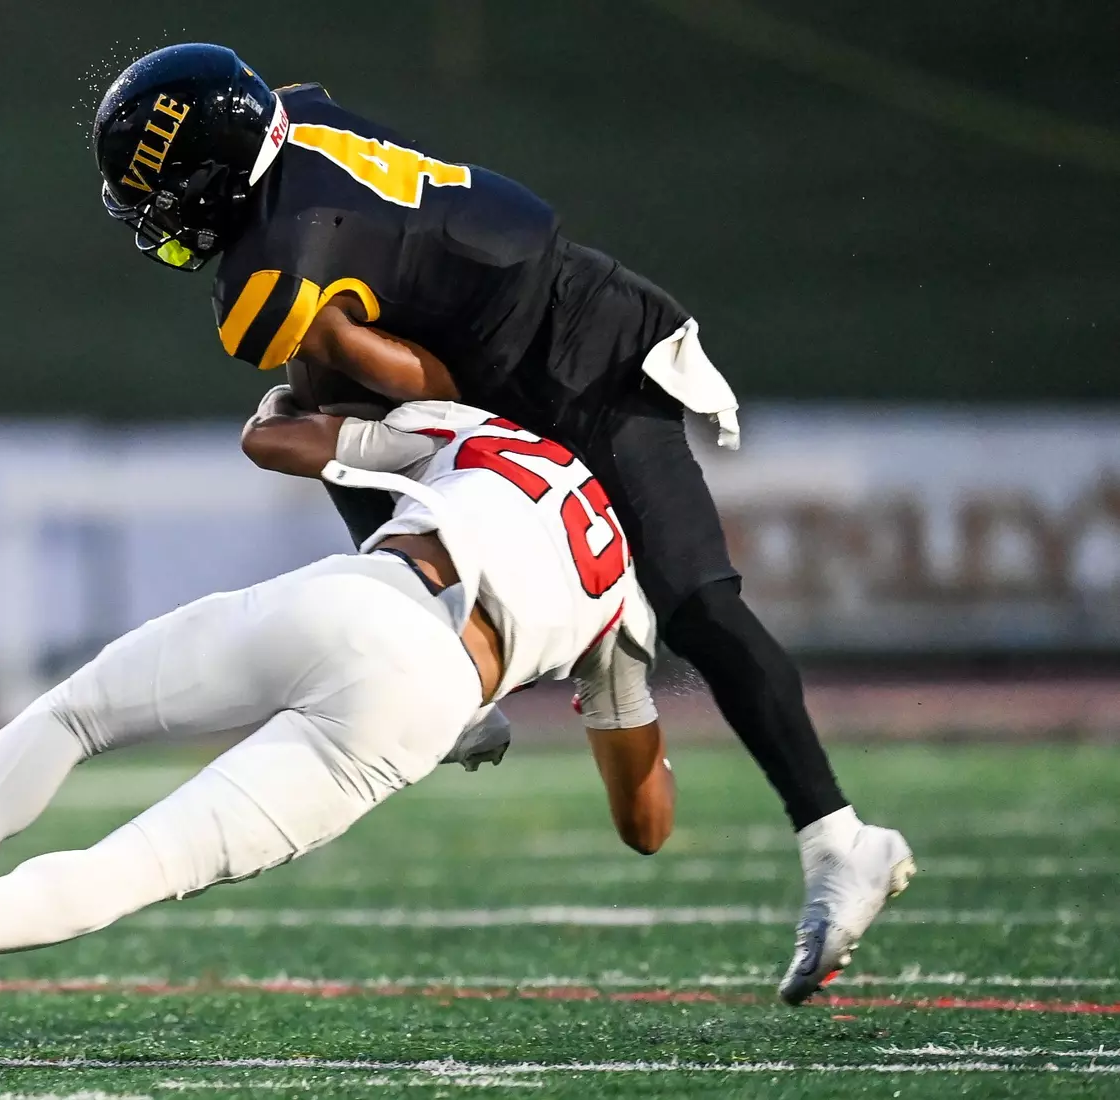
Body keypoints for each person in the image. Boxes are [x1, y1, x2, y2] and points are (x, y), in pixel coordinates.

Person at [91, 43, 915, 1005]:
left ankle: (843, 843)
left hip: (579, 352)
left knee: (696, 600)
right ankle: (454, 650)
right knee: (315, 414)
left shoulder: (273, 266)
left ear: (217, 173)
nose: (164, 218)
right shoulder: (296, 120)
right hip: (519, 349)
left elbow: (426, 382)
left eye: (170, 191)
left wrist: (374, 423)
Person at [0, 395, 684, 1061]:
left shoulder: (495, 435)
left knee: (70, 715)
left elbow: (281, 441)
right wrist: (603, 691)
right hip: (429, 692)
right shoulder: (627, 608)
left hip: (352, 596)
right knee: (128, 870)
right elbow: (644, 823)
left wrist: (293, 388)